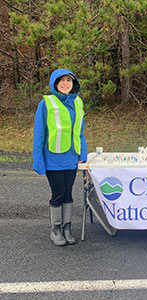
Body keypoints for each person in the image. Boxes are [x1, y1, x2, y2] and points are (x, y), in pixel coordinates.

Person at [33, 68, 87, 246]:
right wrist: (38, 161)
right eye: (61, 81)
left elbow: (79, 132)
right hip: (53, 159)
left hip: (71, 158)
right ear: (55, 84)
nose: (65, 84)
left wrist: (83, 154)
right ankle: (55, 229)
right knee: (58, 194)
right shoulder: (46, 104)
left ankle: (67, 228)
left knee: (69, 194)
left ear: (73, 84)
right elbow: (39, 134)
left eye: (69, 81)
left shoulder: (77, 103)